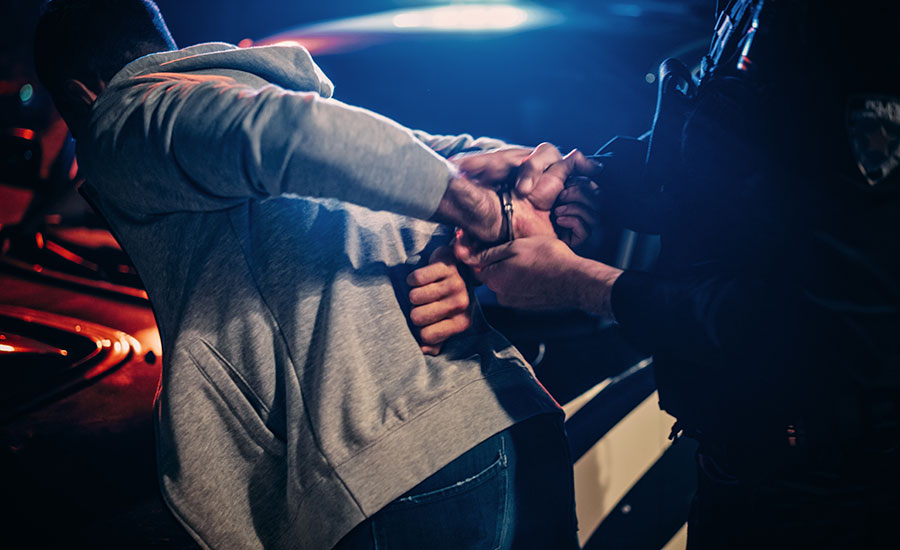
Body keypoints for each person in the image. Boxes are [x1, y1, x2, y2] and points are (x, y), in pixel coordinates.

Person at [33, 1, 581, 548]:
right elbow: (445, 158)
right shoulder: (281, 103)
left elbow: (295, 133)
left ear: (82, 94)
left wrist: (486, 216)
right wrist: (546, 186)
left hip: (396, 473)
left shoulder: (124, 114)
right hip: (509, 422)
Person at [458, 1, 900, 548]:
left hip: (843, 490)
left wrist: (580, 283)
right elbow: (731, 165)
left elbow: (833, 323)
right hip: (741, 465)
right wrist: (591, 180)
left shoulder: (863, 28)